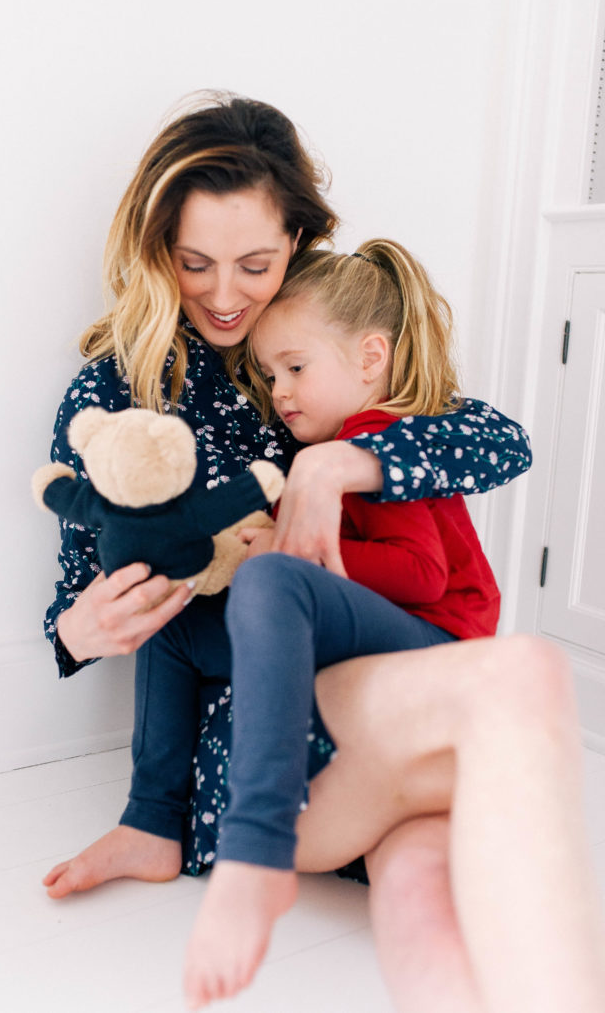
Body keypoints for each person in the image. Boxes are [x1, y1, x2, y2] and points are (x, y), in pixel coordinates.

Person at [35, 94, 605, 1011]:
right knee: (510, 696)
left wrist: (342, 464)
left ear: (296, 245)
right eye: (194, 264)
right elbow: (71, 604)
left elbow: (498, 440)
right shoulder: (116, 393)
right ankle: (166, 825)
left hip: (359, 704)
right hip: (264, 743)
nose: (225, 296)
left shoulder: (323, 344)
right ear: (154, 254)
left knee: (423, 887)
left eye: (254, 264)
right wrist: (81, 625)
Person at [182, 235, 503, 996]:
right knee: (410, 862)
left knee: (271, 586)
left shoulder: (371, 439)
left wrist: (290, 561)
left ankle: (254, 849)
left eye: (295, 367)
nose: (280, 390)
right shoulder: (337, 448)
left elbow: (423, 574)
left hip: (441, 644)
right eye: (269, 374)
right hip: (428, 675)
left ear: (369, 357)